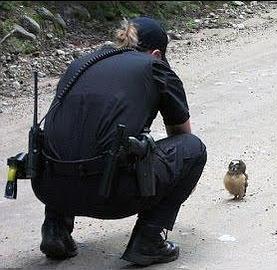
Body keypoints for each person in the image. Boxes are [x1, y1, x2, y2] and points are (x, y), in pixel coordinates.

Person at [32, 16, 207, 266]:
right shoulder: (154, 67)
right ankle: (148, 240)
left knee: (73, 139)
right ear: (156, 53)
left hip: (48, 188)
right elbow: (181, 135)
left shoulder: (80, 64)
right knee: (193, 149)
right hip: (109, 195)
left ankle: (55, 230)